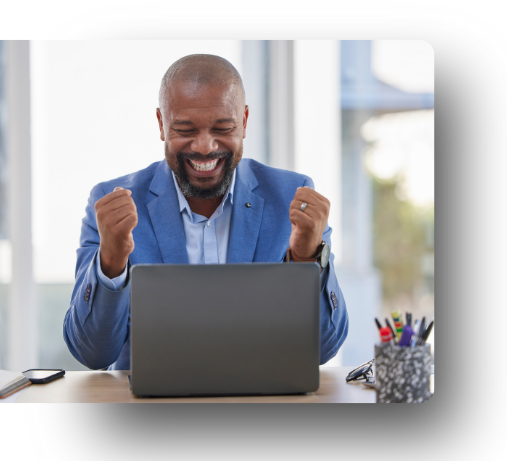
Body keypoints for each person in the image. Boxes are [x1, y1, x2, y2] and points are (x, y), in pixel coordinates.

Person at [63, 54, 348, 370]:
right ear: (161, 124)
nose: (204, 146)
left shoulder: (291, 199)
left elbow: (322, 349)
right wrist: (112, 262)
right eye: (184, 129)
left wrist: (306, 258)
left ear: (245, 121)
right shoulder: (111, 203)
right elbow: (92, 353)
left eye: (223, 127)